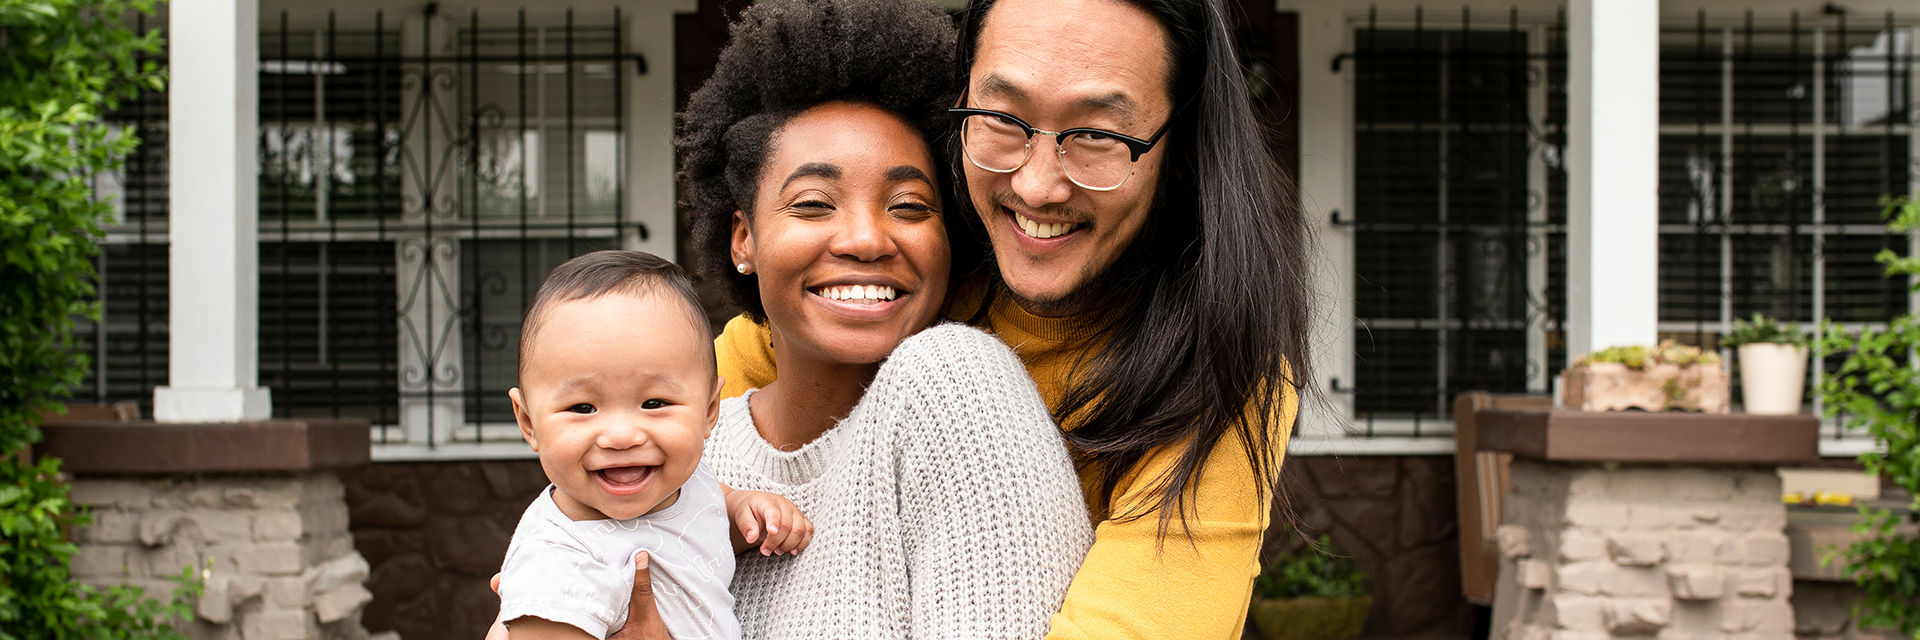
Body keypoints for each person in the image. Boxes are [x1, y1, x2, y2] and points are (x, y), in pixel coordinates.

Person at [714, 0, 1316, 636]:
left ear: (1182, 147)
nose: (1037, 186)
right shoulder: (883, 292)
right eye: (1003, 118)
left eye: (1098, 136)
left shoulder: (1210, 372)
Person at [680, 0, 1094, 637]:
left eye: (908, 206)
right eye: (814, 204)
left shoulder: (957, 390)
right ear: (743, 240)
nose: (868, 239)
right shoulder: (683, 452)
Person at [496, 250, 814, 640]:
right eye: (582, 407)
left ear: (710, 410)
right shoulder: (559, 561)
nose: (621, 436)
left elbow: (702, 522)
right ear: (528, 423)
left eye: (654, 404)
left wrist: (744, 513)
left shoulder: (688, 483)